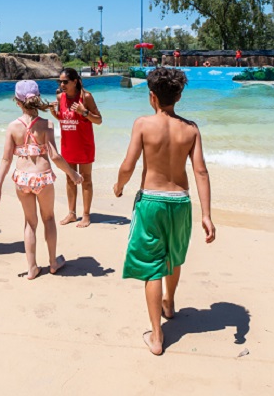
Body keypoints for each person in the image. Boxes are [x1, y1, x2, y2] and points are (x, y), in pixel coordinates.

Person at [113, 67, 216, 356]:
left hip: (152, 202)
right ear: (179, 96)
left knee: (151, 266)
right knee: (173, 256)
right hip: (181, 202)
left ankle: (157, 336)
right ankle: (169, 303)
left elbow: (128, 164)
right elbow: (201, 172)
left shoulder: (143, 124)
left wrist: (119, 186)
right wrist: (206, 214)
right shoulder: (191, 129)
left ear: (151, 97)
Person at [0, 80, 83, 280]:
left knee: (30, 223)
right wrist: (72, 174)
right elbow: (55, 157)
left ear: (17, 102)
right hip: (42, 177)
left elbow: (6, 159)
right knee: (48, 218)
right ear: (37, 98)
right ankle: (52, 263)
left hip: (22, 179)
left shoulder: (13, 127)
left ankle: (32, 268)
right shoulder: (46, 124)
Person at [50, 68, 102, 228]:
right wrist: (54, 113)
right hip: (68, 145)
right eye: (60, 81)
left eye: (65, 81)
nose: (62, 84)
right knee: (70, 178)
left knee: (86, 180)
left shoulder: (86, 97)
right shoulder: (60, 97)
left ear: (75, 81)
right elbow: (65, 118)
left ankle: (86, 215)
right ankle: (72, 214)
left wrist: (84, 111)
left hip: (84, 145)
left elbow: (99, 120)